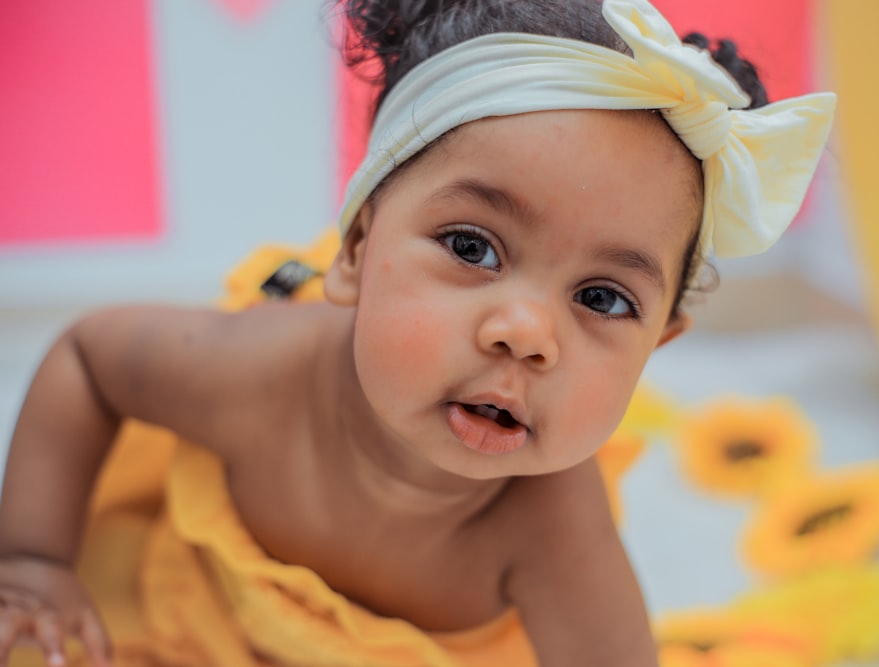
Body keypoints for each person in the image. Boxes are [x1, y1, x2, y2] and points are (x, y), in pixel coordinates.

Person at [0, 0, 835, 665]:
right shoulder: (253, 374)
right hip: (200, 621)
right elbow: (88, 357)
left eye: (604, 298)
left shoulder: (551, 527)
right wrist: (34, 558)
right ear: (358, 249)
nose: (526, 333)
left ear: (656, 345)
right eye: (473, 247)